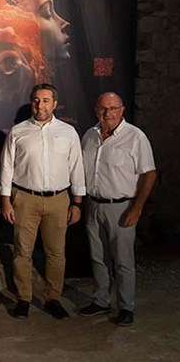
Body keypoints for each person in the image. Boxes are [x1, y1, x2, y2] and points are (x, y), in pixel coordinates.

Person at [0, 83, 85, 320]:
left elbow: (76, 167)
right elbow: (6, 167)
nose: (40, 105)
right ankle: (24, 299)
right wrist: (5, 200)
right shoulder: (18, 131)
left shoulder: (68, 132)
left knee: (56, 253)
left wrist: (77, 203)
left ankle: (52, 298)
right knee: (22, 252)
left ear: (54, 104)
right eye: (36, 100)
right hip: (24, 198)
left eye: (46, 100)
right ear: (31, 102)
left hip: (59, 200)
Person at [78, 92, 156, 327]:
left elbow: (149, 173)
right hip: (93, 205)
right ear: (96, 110)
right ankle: (101, 300)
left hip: (121, 207)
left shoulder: (135, 137)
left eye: (113, 108)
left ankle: (125, 306)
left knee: (123, 261)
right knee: (97, 257)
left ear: (122, 109)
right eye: (103, 108)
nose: (108, 113)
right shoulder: (89, 135)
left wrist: (137, 207)